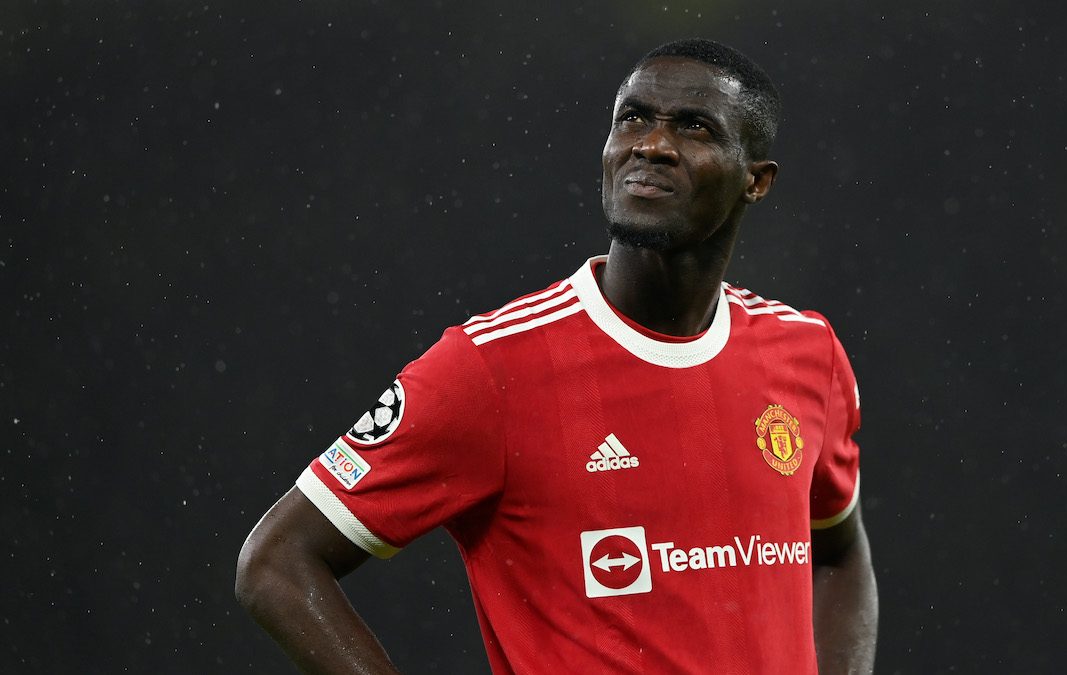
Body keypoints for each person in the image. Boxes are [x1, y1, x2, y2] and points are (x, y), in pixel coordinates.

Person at [236, 38, 878, 674]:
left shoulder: (807, 353)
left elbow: (839, 554)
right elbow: (277, 563)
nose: (652, 145)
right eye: (633, 118)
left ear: (756, 181)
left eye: (694, 127)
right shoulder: (490, 367)